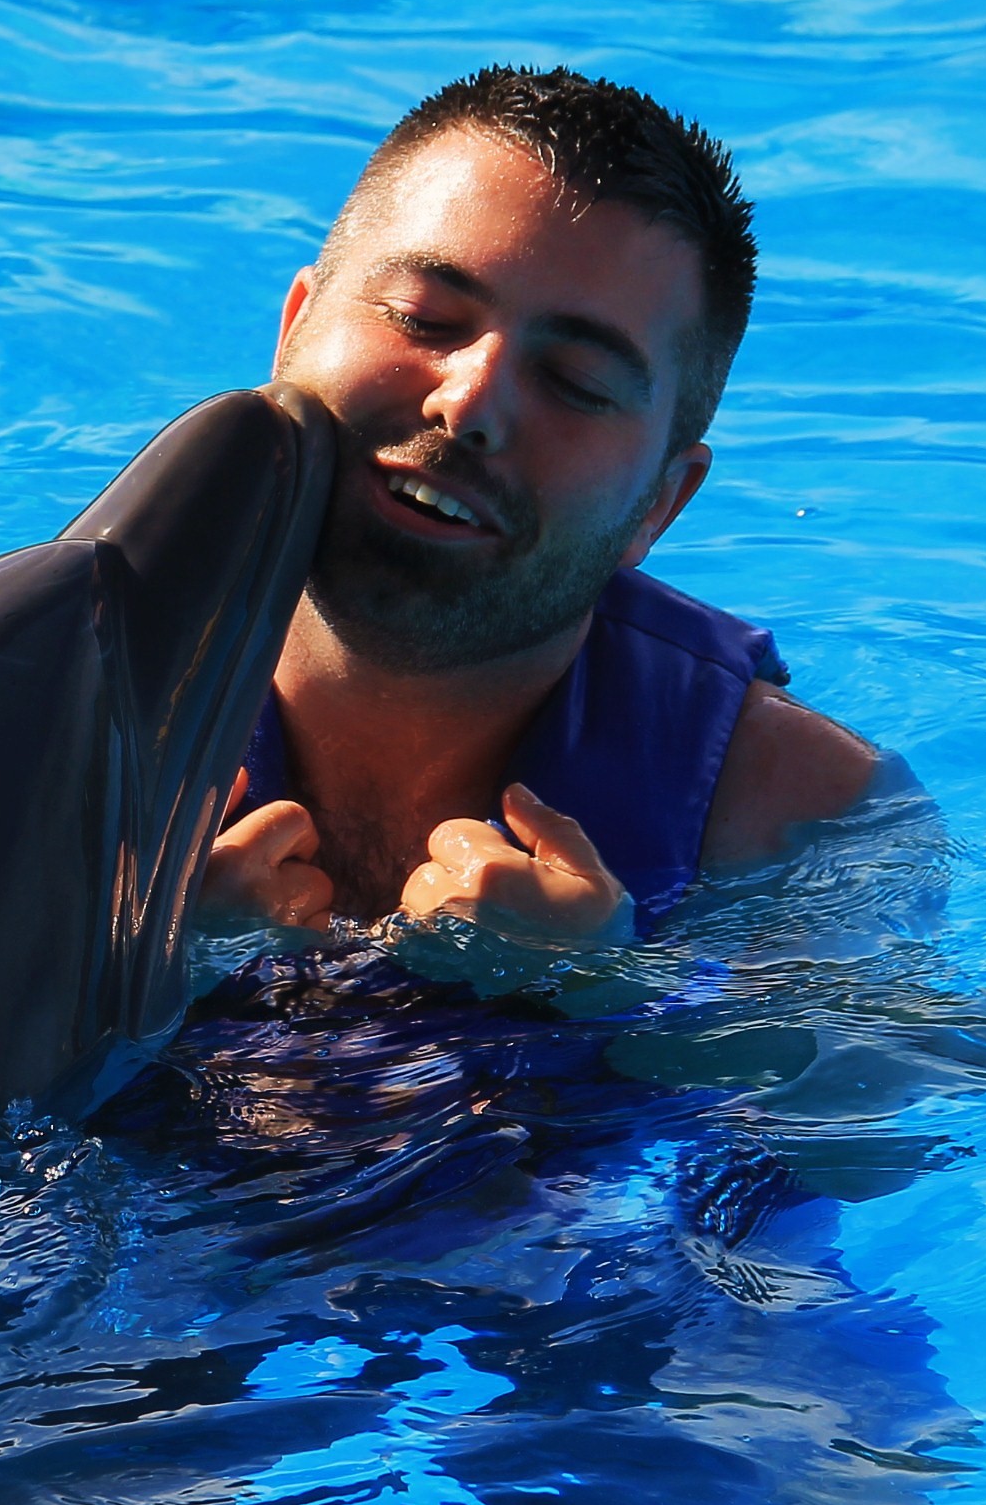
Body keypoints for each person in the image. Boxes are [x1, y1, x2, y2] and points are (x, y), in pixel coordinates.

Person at [202, 66, 882, 941]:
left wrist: (594, 985)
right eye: (422, 317)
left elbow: (885, 1031)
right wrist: (131, 962)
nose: (469, 404)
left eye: (576, 382)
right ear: (295, 329)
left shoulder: (796, 812)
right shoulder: (72, 691)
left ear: (661, 503)